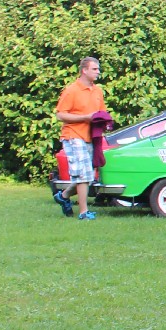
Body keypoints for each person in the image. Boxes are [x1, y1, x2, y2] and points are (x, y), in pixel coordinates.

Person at [54, 56, 108, 220]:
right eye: (94, 69)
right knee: (83, 175)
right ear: (84, 70)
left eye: (98, 69)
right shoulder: (72, 90)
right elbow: (60, 115)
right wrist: (85, 118)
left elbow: (101, 113)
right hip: (73, 135)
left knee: (88, 176)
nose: (98, 72)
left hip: (90, 136)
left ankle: (63, 196)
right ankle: (84, 213)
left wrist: (104, 123)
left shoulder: (97, 91)